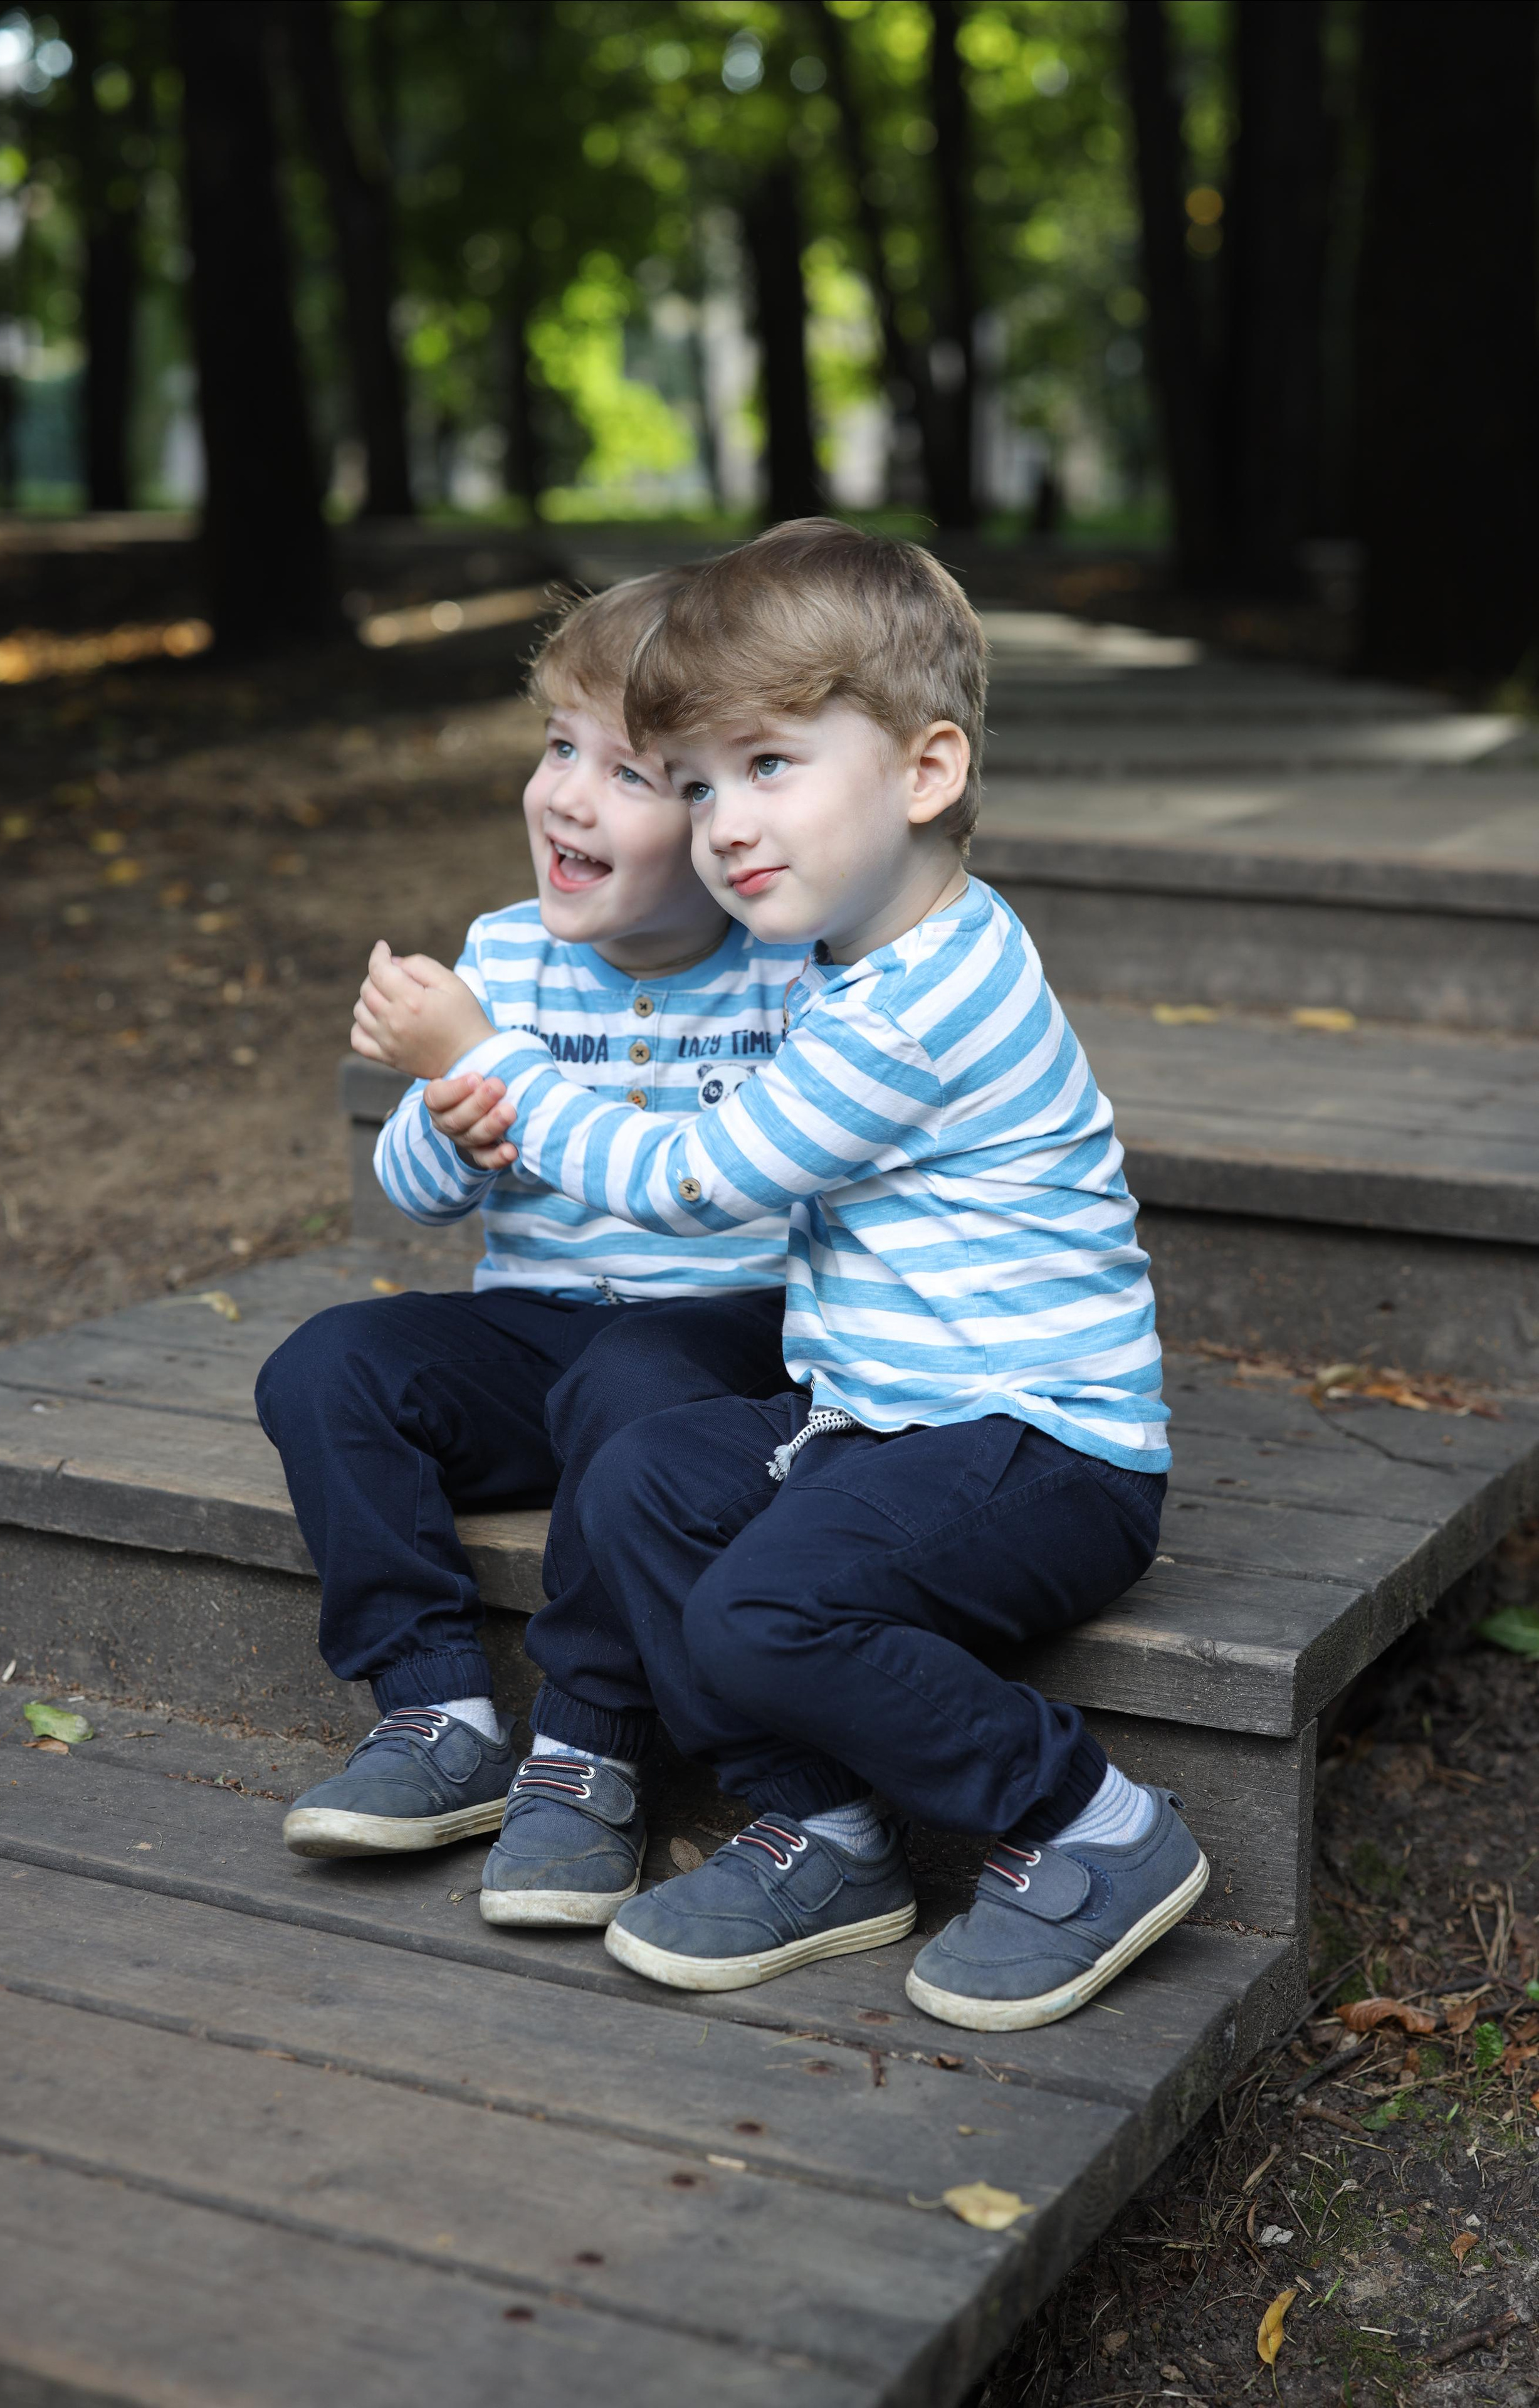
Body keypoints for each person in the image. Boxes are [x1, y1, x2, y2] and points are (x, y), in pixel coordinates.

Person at [354, 520, 1205, 2033]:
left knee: (766, 1612)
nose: (720, 823)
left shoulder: (919, 1003)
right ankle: (824, 1832)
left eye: (767, 767)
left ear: (925, 773)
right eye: (693, 784)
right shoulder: (849, 956)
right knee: (638, 1482)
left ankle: (1087, 1824)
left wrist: (485, 1063)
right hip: (884, 1421)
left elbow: (694, 1184)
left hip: (1042, 1452)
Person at [257, 570, 800, 1872]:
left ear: (725, 818)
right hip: (540, 1329)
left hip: (722, 1345)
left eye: (628, 774)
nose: (565, 792)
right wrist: (449, 1120)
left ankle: (591, 1748)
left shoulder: (789, 963)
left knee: (633, 1373)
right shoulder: (506, 954)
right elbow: (412, 1190)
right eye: (558, 745)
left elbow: (775, 1177)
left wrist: (502, 1074)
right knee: (325, 1367)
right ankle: (436, 1711)